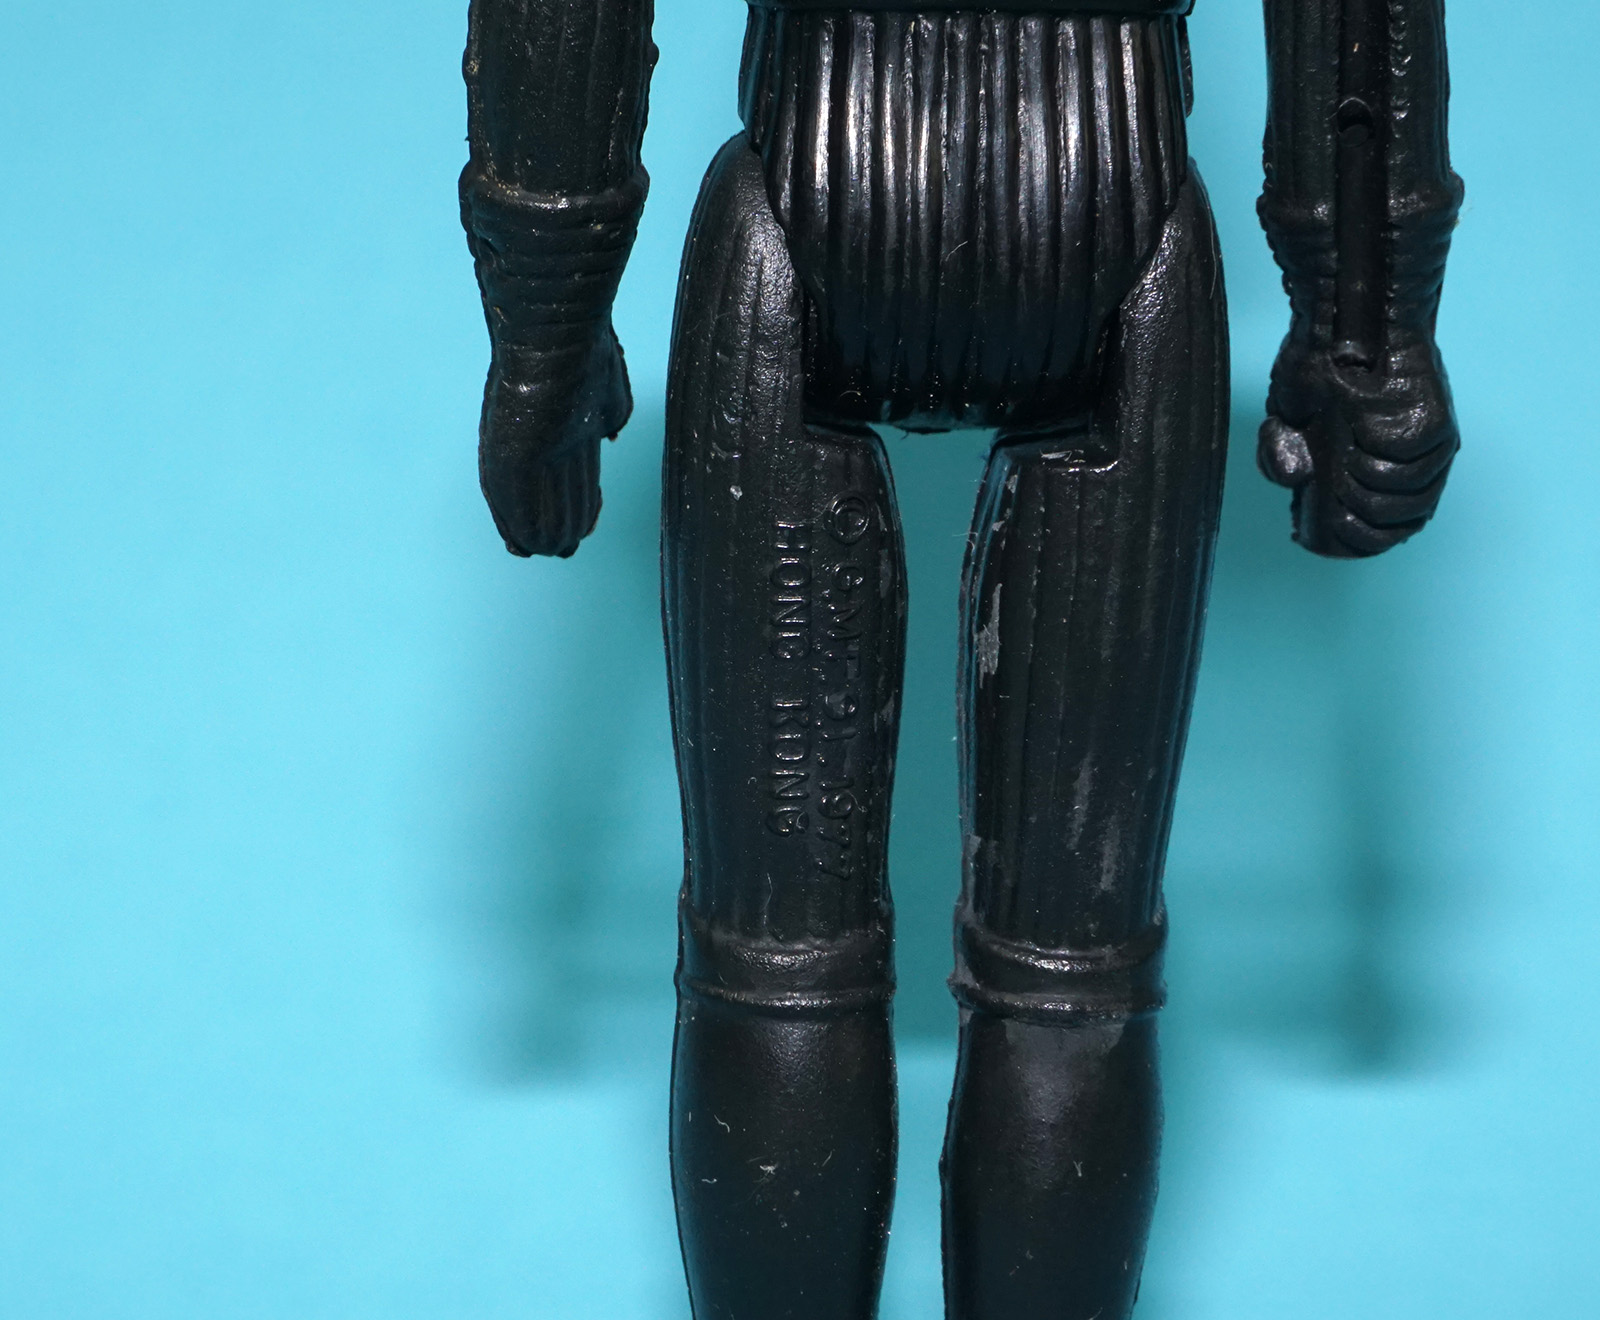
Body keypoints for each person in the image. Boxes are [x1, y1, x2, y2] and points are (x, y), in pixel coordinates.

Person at [458, 1, 1462, 1315]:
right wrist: (1370, 327)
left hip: (804, 218)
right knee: (1072, 968)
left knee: (777, 953)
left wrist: (544, 318)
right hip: (1118, 223)